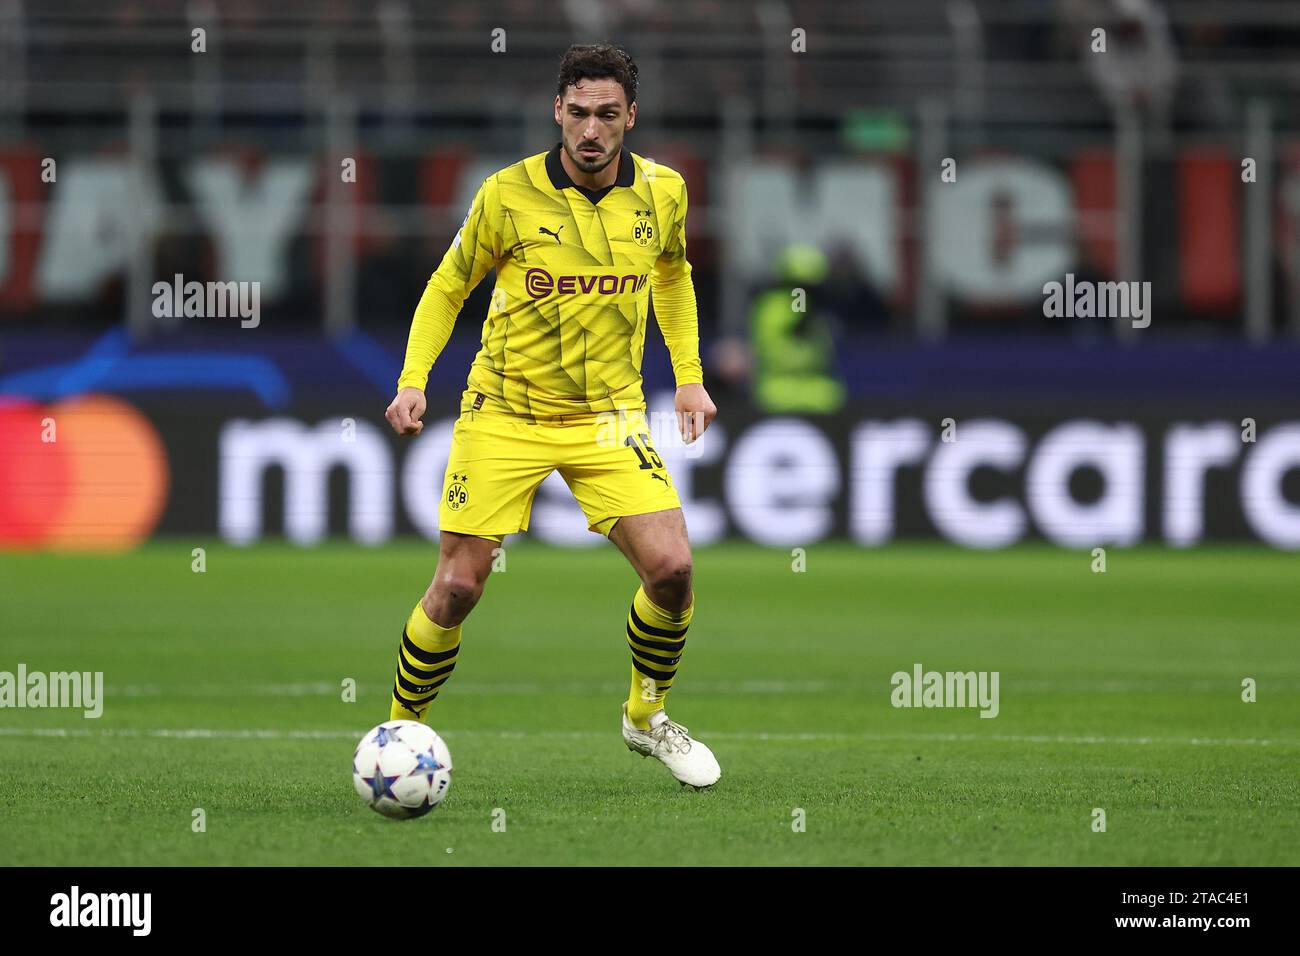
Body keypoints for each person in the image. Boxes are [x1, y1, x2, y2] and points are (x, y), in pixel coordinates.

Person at [382, 42, 721, 788]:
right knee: (459, 586)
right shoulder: (505, 194)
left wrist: (688, 380)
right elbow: (447, 287)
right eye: (578, 113)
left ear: (630, 117)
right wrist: (414, 379)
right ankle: (401, 733)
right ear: (556, 112)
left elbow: (674, 275)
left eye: (607, 114)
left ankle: (645, 716)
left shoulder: (665, 192)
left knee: (673, 571)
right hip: (504, 410)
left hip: (609, 417)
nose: (590, 130)